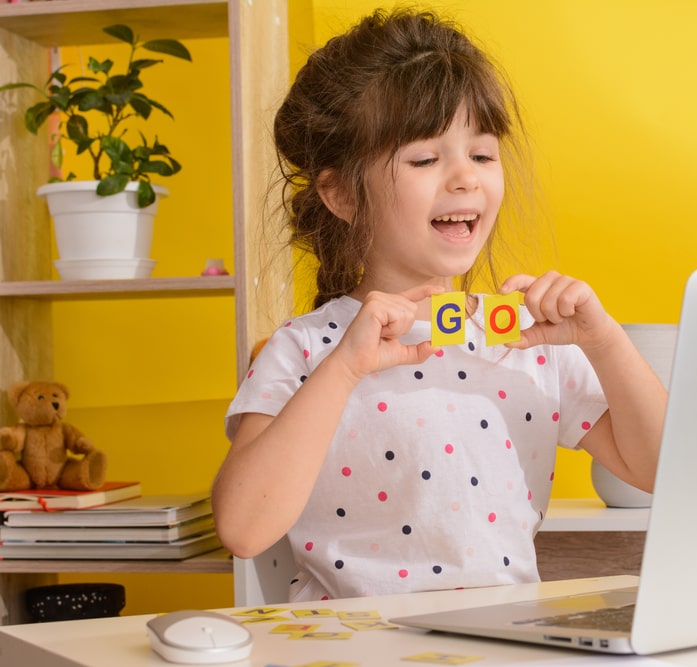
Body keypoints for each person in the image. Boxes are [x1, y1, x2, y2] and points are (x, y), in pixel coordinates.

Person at [212, 7, 667, 601]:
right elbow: (243, 530)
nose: (465, 179)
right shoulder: (304, 350)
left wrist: (605, 341)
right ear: (342, 194)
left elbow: (662, 473)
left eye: (482, 155)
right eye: (426, 159)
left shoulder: (530, 340)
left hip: (501, 644)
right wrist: (344, 369)